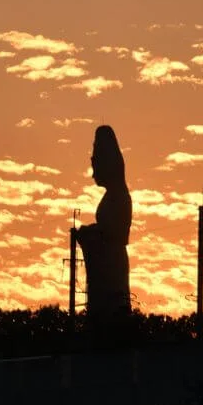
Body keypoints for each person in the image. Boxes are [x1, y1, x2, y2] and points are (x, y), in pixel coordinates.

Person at [75, 125, 132, 330]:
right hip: (106, 268)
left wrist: (90, 236)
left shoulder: (119, 197)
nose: (93, 174)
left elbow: (114, 235)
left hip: (112, 268)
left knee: (110, 316)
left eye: (96, 164)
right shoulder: (114, 196)